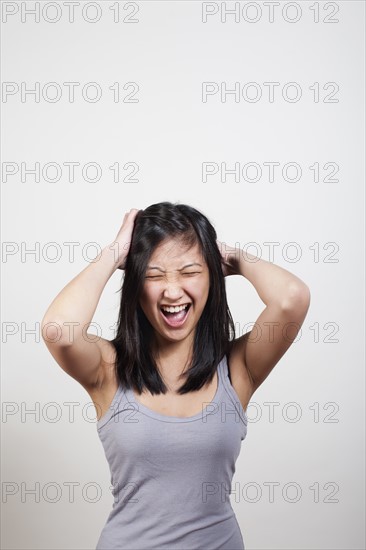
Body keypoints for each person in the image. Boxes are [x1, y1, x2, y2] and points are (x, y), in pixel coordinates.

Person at [41, 201, 311, 550]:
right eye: (154, 275)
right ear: (136, 286)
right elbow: (58, 331)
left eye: (189, 272)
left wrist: (232, 257)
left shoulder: (237, 368)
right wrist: (113, 254)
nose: (172, 291)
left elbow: (293, 298)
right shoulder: (107, 368)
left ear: (212, 277)